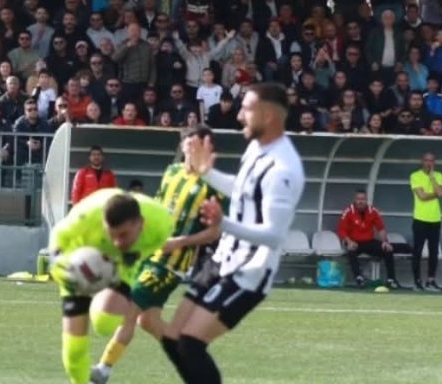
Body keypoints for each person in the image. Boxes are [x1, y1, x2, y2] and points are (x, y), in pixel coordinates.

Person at [164, 83, 306, 384]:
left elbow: (273, 235)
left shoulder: (283, 168)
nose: (240, 115)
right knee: (173, 337)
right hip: (223, 258)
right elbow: (243, 191)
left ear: (267, 116)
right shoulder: (257, 147)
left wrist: (222, 223)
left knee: (190, 342)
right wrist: (206, 173)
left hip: (249, 272)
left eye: (246, 109)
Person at [91, 127, 225, 384]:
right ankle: (190, 358)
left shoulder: (212, 187)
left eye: (194, 143)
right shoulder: (172, 172)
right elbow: (158, 208)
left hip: (170, 265)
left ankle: (103, 369)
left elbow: (214, 232)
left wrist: (179, 243)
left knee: (129, 311)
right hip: (148, 253)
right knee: (148, 321)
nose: (188, 146)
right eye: (186, 142)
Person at [49, 189, 173, 384]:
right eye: (112, 234)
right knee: (74, 351)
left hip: (121, 264)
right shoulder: (87, 215)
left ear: (140, 224)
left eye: (123, 234)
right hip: (78, 265)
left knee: (105, 323)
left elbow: (155, 245)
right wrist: (61, 266)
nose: (117, 241)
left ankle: (101, 294)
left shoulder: (161, 223)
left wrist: (131, 256)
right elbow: (58, 236)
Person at [337, 189, 404, 289]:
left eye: (363, 199)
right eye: (358, 199)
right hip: (354, 241)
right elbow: (341, 230)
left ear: (366, 200)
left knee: (387, 249)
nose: (361, 201)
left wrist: (385, 242)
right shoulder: (348, 211)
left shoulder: (373, 211)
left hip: (368, 241)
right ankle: (359, 278)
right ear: (355, 200)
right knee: (351, 251)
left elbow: (380, 229)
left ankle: (391, 280)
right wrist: (349, 242)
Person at [410, 152, 442, 291]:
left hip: (435, 219)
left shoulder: (438, 176)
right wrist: (435, 194)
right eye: (426, 160)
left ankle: (431, 281)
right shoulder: (415, 176)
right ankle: (417, 281)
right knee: (417, 251)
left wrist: (432, 179)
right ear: (422, 161)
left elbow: (441, 193)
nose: (428, 163)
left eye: (431, 161)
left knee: (433, 252)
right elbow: (422, 196)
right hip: (420, 218)